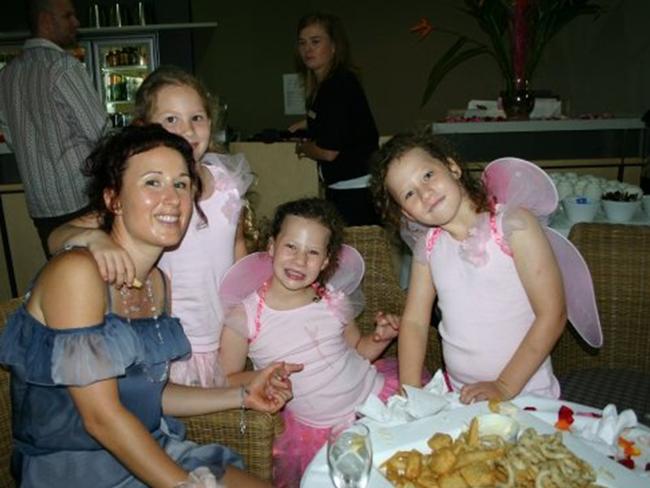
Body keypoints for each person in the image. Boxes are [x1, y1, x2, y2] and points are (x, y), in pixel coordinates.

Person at [0, 125, 299, 488]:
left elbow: (150, 394)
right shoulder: (77, 273)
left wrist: (241, 395)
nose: (172, 198)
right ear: (114, 200)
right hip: (75, 470)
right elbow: (101, 417)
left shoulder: (158, 283)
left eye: (181, 184)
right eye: (152, 182)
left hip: (147, 447)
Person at [49, 66, 255, 388]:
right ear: (144, 128)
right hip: (173, 347)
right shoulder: (144, 197)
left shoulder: (227, 184)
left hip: (227, 335)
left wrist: (249, 309)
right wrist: (92, 238)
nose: (186, 129)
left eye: (197, 118)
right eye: (171, 119)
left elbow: (237, 246)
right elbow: (56, 237)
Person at [218, 197, 415, 487]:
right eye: (291, 247)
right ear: (271, 247)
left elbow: (359, 350)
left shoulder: (331, 298)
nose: (300, 260)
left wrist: (378, 338)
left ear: (325, 262)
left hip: (376, 400)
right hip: (318, 431)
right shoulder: (245, 316)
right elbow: (226, 378)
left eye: (312, 253)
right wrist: (263, 376)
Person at [370, 132, 571, 404]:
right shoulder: (427, 248)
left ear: (452, 167)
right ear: (406, 213)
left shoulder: (514, 225)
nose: (424, 193)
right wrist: (410, 392)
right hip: (460, 396)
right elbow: (415, 323)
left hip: (525, 394)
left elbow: (552, 314)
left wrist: (503, 386)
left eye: (428, 175)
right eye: (409, 193)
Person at [0, 0, 109, 255]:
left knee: (62, 276)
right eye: (68, 16)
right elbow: (98, 132)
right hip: (81, 199)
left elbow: (10, 136)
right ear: (46, 21)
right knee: (97, 276)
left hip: (40, 206)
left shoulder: (7, 75)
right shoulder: (64, 67)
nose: (76, 23)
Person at [288, 13, 379, 226]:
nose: (308, 49)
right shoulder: (327, 85)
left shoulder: (337, 85)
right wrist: (306, 123)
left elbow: (328, 152)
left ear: (334, 46)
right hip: (348, 187)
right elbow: (334, 119)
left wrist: (304, 148)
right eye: (303, 43)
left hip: (355, 191)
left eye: (316, 41)